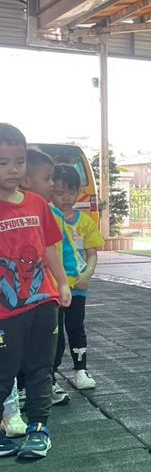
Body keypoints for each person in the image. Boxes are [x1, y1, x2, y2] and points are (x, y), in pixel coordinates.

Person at [0, 123, 71, 459]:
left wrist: (62, 282)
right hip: (5, 310)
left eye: (19, 161)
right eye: (3, 163)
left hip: (43, 302)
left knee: (41, 368)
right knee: (4, 370)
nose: (13, 169)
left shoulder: (37, 204)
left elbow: (51, 247)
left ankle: (39, 429)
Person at [19, 149, 73, 405]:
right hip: (16, 295)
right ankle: (20, 389)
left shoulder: (44, 208)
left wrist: (62, 282)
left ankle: (45, 383)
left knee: (51, 342)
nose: (53, 184)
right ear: (26, 180)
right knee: (17, 345)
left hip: (44, 292)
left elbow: (51, 248)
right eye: (47, 178)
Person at [49, 164, 105, 391]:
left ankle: (80, 369)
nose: (65, 198)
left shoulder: (85, 222)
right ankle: (50, 376)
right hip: (52, 286)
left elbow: (92, 254)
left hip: (78, 286)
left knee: (75, 327)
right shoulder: (47, 216)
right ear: (50, 191)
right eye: (59, 193)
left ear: (79, 192)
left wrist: (87, 275)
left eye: (71, 192)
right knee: (54, 332)